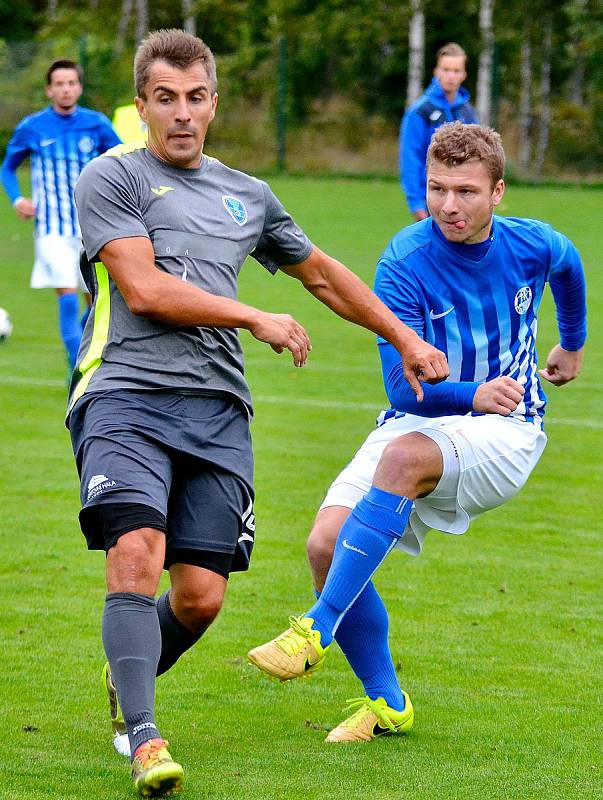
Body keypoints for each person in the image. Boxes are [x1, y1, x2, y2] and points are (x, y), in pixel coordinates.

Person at [68, 29, 448, 798]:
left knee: (201, 598)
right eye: (164, 99)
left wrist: (403, 336)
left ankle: (128, 673)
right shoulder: (112, 177)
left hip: (217, 412)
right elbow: (142, 289)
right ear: (140, 106)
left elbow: (322, 274)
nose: (181, 114)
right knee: (137, 547)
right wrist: (251, 317)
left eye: (195, 98)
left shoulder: (248, 194)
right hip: (124, 392)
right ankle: (144, 737)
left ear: (214, 103)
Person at [248, 122, 587, 744]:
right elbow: (402, 391)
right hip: (425, 415)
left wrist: (572, 341)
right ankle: (388, 704)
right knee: (326, 544)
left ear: (498, 192)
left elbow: (569, 267)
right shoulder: (404, 259)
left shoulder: (533, 244)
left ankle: (317, 628)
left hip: (510, 429)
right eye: (437, 189)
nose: (449, 206)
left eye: (465, 191)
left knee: (402, 460)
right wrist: (469, 392)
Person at [1, 60, 121, 371]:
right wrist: (17, 199)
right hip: (51, 229)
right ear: (49, 89)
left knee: (95, 302)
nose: (65, 89)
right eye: (59, 84)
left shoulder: (96, 124)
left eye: (71, 83)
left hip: (91, 227)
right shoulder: (32, 127)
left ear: (79, 88)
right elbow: (8, 167)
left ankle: (85, 353)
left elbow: (123, 160)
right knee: (67, 296)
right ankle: (76, 368)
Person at [400, 43, 478, 221]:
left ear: (464, 75)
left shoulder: (467, 112)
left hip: (463, 200)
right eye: (446, 69)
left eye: (456, 71)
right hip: (432, 198)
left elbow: (478, 156)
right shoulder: (420, 111)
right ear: (436, 72)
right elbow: (410, 158)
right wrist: (416, 203)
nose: (451, 76)